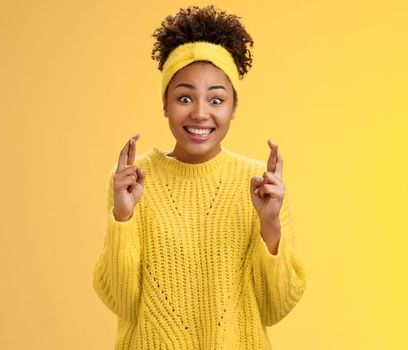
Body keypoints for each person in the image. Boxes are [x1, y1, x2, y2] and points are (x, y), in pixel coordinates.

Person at [92, 5, 306, 349]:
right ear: (165, 103)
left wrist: (270, 225)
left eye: (216, 99)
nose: (200, 113)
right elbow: (122, 302)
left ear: (234, 107)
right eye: (185, 97)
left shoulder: (259, 184)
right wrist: (123, 216)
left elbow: (274, 307)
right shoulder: (133, 183)